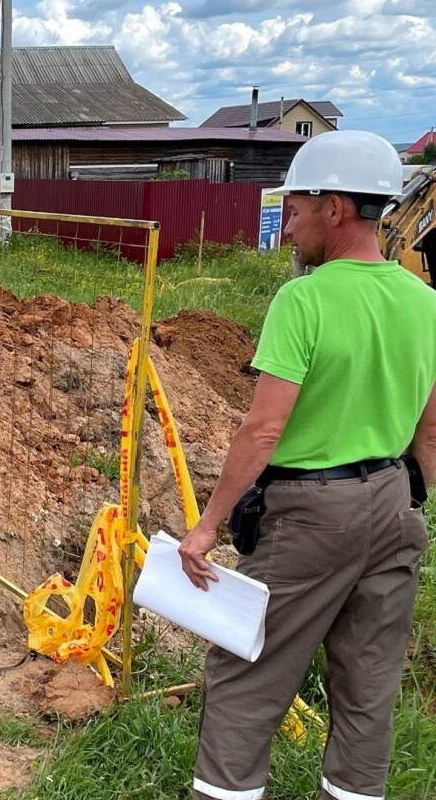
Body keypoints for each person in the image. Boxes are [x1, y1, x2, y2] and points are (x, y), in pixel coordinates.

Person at [178, 130, 436, 800]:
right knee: (368, 687)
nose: (287, 224)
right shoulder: (425, 303)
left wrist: (207, 526)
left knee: (245, 676)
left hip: (312, 514)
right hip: (394, 502)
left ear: (335, 208)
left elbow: (264, 428)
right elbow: (430, 431)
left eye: (296, 208)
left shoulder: (305, 300)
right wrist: (407, 503)